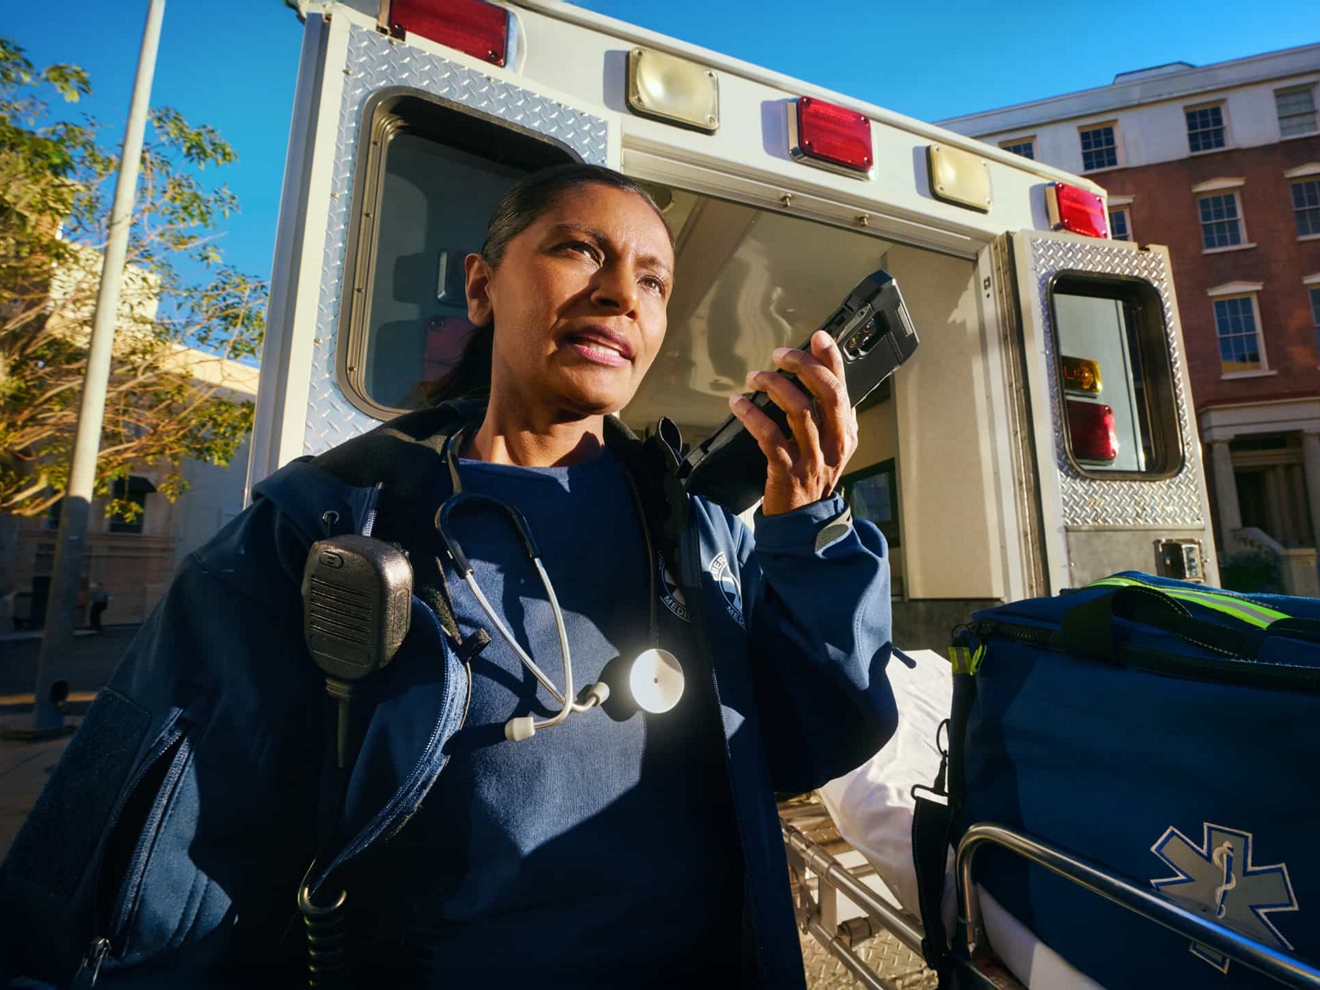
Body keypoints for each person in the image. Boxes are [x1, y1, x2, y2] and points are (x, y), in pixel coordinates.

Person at [0, 164, 896, 988]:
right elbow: (154, 854)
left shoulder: (695, 528)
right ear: (481, 286)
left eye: (654, 281)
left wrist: (809, 526)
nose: (623, 294)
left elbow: (818, 736)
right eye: (580, 250)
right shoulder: (323, 520)